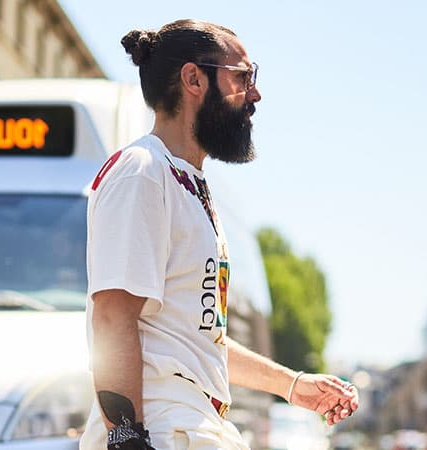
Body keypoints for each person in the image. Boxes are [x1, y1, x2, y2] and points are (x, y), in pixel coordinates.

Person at [81, 19, 359, 450]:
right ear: (193, 78)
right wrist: (126, 439)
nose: (255, 94)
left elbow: (198, 338)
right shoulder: (142, 171)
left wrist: (293, 385)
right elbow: (114, 316)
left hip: (192, 425)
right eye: (242, 77)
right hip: (162, 429)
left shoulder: (187, 182)